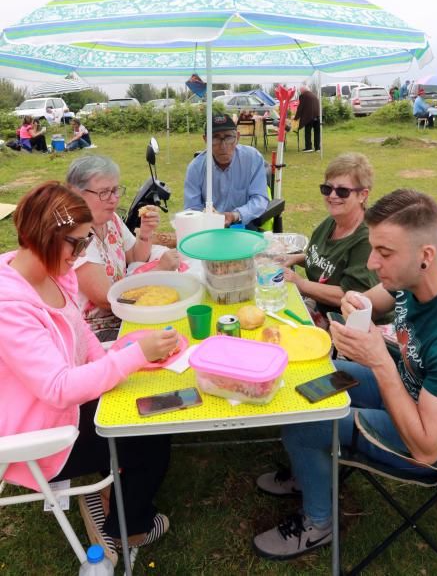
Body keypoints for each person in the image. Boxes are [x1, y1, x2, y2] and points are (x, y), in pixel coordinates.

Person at [254, 189, 437, 560]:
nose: (371, 262)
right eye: (372, 248)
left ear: (425, 256)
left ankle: (318, 524)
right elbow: (382, 294)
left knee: (310, 420)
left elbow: (427, 448)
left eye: (384, 253)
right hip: (407, 390)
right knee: (304, 382)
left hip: (435, 439)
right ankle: (308, 474)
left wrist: (380, 362)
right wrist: (361, 302)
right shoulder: (419, 279)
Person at [0, 182, 180, 565]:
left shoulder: (48, 270)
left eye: (86, 244)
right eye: (78, 245)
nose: (82, 254)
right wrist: (129, 360)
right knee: (151, 430)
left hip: (59, 408)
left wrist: (130, 356)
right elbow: (57, 388)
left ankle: (113, 493)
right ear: (45, 237)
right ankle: (129, 527)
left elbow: (82, 337)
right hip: (39, 435)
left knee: (140, 396)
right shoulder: (9, 306)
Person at [66, 155, 180, 340]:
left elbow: (135, 258)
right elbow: (107, 299)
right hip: (97, 331)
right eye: (104, 192)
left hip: (126, 314)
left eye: (115, 190)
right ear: (76, 193)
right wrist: (159, 270)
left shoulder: (111, 220)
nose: (113, 199)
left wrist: (145, 233)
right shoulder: (74, 235)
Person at [282, 153, 379, 328]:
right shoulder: (333, 221)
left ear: (363, 195)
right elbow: (326, 260)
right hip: (321, 307)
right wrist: (294, 258)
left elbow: (352, 295)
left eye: (342, 191)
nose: (332, 196)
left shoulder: (366, 239)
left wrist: (300, 283)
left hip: (348, 323)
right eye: (327, 189)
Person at [184, 113, 269, 228]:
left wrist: (234, 215)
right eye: (215, 138)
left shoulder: (252, 159)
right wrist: (206, 217)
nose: (223, 146)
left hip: (243, 224)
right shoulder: (195, 168)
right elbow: (192, 208)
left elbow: (260, 199)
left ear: (238, 137)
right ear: (206, 140)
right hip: (208, 228)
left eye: (229, 137)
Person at [295, 84, 320, 153]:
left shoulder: (304, 96)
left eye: (300, 90)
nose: (300, 92)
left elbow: (301, 107)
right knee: (317, 132)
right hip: (318, 116)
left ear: (303, 90)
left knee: (308, 132)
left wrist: (296, 117)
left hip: (309, 117)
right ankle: (317, 148)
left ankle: (309, 147)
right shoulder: (314, 95)